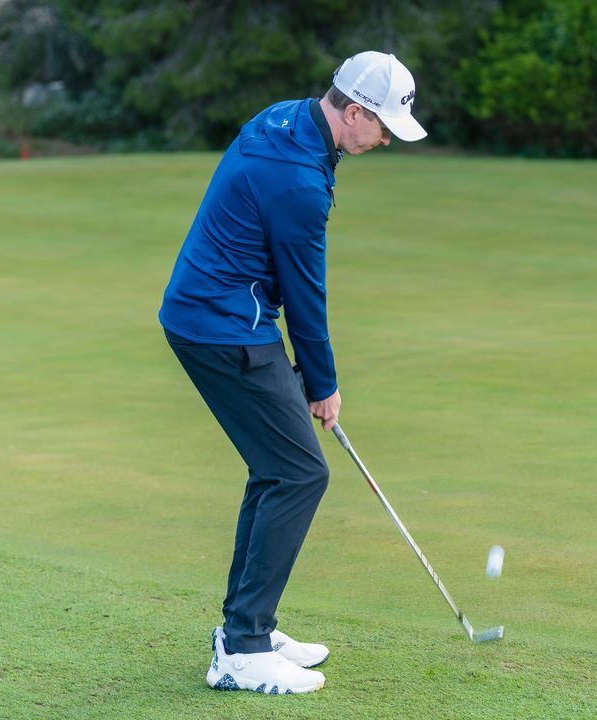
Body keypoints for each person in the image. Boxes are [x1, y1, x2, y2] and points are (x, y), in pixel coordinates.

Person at [158, 51, 427, 695]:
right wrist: (323, 382)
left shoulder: (290, 119)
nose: (387, 138)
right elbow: (307, 294)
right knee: (301, 473)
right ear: (354, 111)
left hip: (219, 315)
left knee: (278, 469)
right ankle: (243, 650)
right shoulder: (300, 182)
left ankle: (247, 627)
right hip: (221, 328)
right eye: (383, 125)